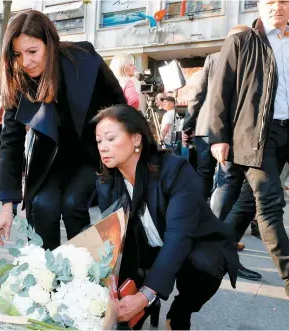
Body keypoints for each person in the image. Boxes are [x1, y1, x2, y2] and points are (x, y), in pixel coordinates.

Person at [0, 10, 127, 250]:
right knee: (43, 205)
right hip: (49, 160)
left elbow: (120, 107)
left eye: (33, 51)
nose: (26, 62)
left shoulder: (83, 59)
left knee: (73, 204)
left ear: (50, 44)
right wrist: (7, 207)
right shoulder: (17, 79)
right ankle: (46, 277)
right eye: (18, 54)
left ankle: (85, 274)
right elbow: (9, 143)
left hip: (89, 153)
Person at [94, 105, 239, 330]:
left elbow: (179, 237)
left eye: (111, 138)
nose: (103, 147)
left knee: (203, 265)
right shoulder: (107, 181)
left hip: (196, 245)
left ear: (136, 139)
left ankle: (180, 312)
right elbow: (116, 241)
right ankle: (146, 306)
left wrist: (145, 295)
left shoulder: (175, 170)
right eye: (99, 141)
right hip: (146, 252)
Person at [206, 0, 289, 295]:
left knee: (246, 202)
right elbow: (219, 90)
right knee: (269, 202)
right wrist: (218, 135)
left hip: (286, 131)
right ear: (259, 7)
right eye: (270, 2)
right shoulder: (242, 41)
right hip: (256, 134)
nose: (277, 7)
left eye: (283, 1)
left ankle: (212, 258)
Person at [183, 25, 251, 202]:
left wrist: (187, 125)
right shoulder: (248, 60)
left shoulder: (213, 58)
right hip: (228, 128)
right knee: (227, 178)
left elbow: (198, 93)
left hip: (205, 127)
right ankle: (217, 220)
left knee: (203, 173)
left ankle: (198, 215)